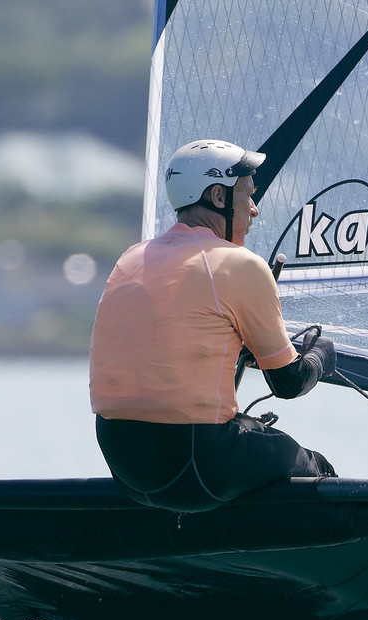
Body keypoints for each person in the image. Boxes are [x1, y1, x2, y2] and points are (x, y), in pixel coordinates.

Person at [89, 138, 337, 512]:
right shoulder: (240, 264)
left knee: (247, 432)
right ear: (218, 197)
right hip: (195, 461)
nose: (253, 210)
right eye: (247, 196)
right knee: (312, 465)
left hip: (124, 462)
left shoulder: (132, 257)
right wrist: (321, 354)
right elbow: (288, 382)